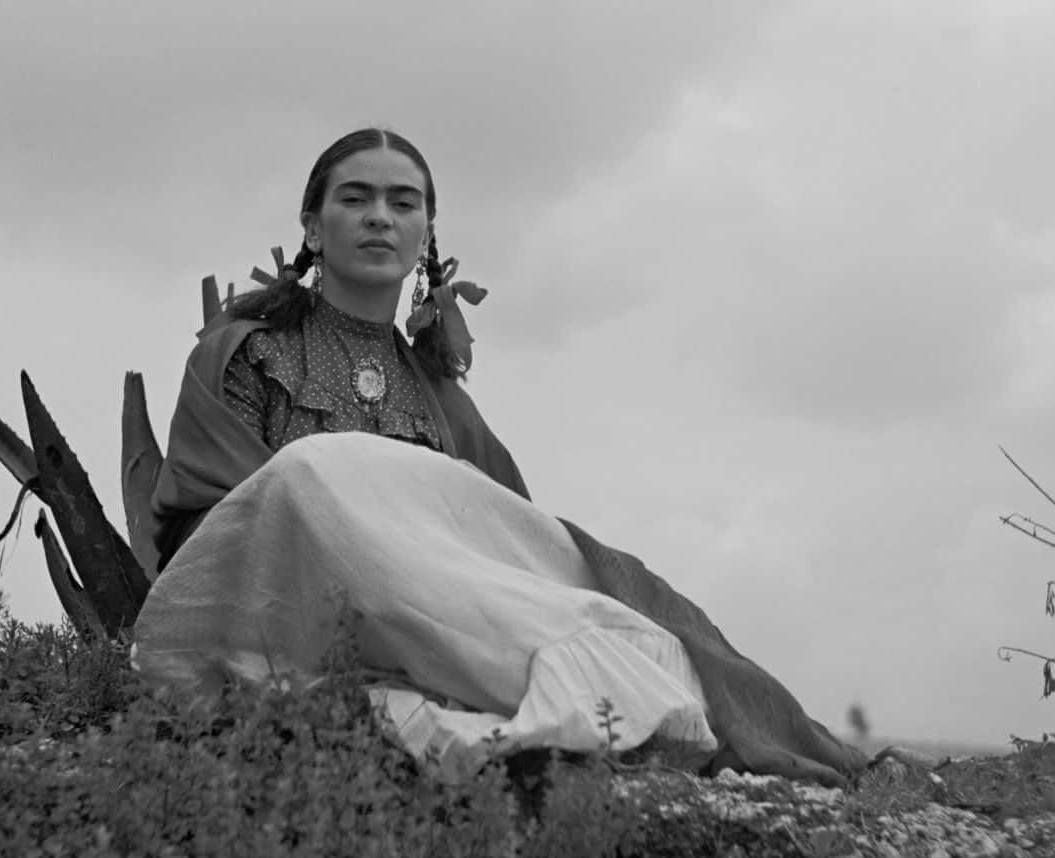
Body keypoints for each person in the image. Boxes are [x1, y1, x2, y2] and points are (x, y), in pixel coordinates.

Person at [133, 128, 866, 787]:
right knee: (308, 473)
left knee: (645, 649)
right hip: (284, 616)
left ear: (425, 236)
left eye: (403, 202)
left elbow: (497, 547)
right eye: (355, 199)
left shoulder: (441, 399)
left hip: (426, 623)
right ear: (312, 228)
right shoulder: (246, 354)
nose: (380, 216)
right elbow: (216, 531)